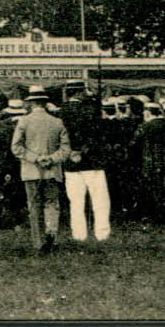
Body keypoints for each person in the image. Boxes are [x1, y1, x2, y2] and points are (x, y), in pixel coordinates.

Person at [11, 86, 70, 254]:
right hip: (52, 171)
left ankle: (38, 242)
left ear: (31, 103)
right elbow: (66, 150)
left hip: (31, 171)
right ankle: (51, 235)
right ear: (45, 103)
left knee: (34, 205)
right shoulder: (57, 122)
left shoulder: (23, 121)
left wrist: (35, 158)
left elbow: (16, 147)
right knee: (52, 204)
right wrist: (51, 158)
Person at [60, 91, 111, 244]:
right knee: (100, 200)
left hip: (71, 163)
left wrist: (72, 152)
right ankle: (102, 234)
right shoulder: (93, 113)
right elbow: (98, 137)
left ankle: (79, 234)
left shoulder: (62, 114)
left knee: (75, 201)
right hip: (93, 162)